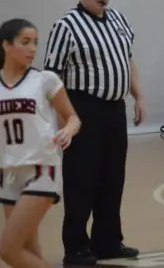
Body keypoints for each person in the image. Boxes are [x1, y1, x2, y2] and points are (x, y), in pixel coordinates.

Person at [42, 0, 145, 265]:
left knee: (113, 178)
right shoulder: (66, 26)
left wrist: (138, 95)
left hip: (115, 110)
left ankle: (108, 241)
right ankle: (76, 246)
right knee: (81, 180)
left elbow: (127, 60)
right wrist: (64, 120)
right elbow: (52, 77)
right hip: (83, 109)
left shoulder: (118, 19)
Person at [0, 19, 81, 268]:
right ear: (6, 45)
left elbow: (73, 117)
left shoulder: (45, 79)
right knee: (28, 251)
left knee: (8, 250)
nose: (33, 49)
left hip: (42, 168)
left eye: (35, 42)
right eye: (25, 42)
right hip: (8, 173)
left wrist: (68, 130)